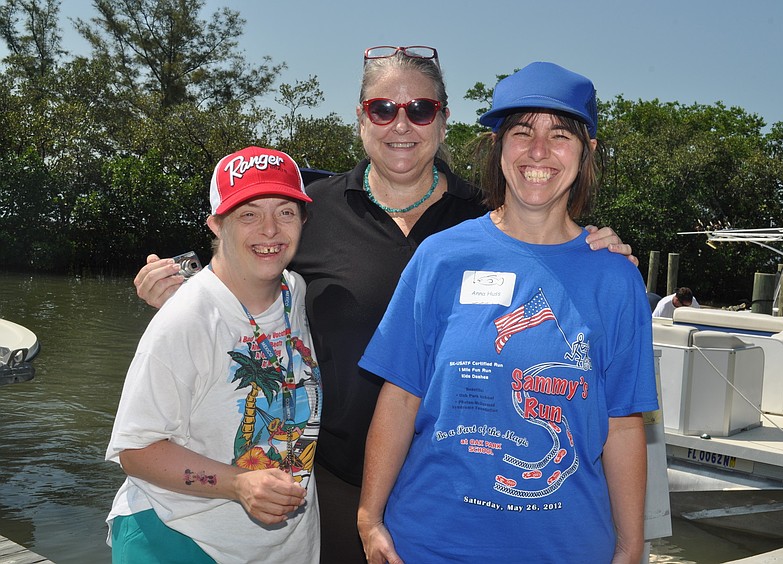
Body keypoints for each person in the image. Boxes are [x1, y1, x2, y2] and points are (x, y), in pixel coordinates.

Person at [132, 46, 635, 563]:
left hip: (455, 488)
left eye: (420, 109)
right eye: (382, 108)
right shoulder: (307, 211)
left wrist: (605, 254)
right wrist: (179, 292)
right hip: (330, 482)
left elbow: (562, 264)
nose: (402, 123)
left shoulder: (491, 216)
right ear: (360, 117)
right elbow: (241, 280)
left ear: (443, 121)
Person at [357, 62, 658, 563]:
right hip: (430, 543)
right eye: (522, 132)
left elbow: (624, 426)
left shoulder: (617, 278)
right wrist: (369, 517)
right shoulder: (440, 256)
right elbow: (400, 396)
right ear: (498, 147)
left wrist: (630, 548)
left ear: (586, 154)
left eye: (560, 135)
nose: (538, 151)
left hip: (567, 548)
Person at [107, 147, 321, 563]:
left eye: (286, 212)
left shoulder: (295, 292)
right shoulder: (185, 318)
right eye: (248, 214)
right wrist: (238, 484)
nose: (270, 229)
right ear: (216, 224)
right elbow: (135, 451)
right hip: (180, 538)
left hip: (278, 547)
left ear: (303, 221)